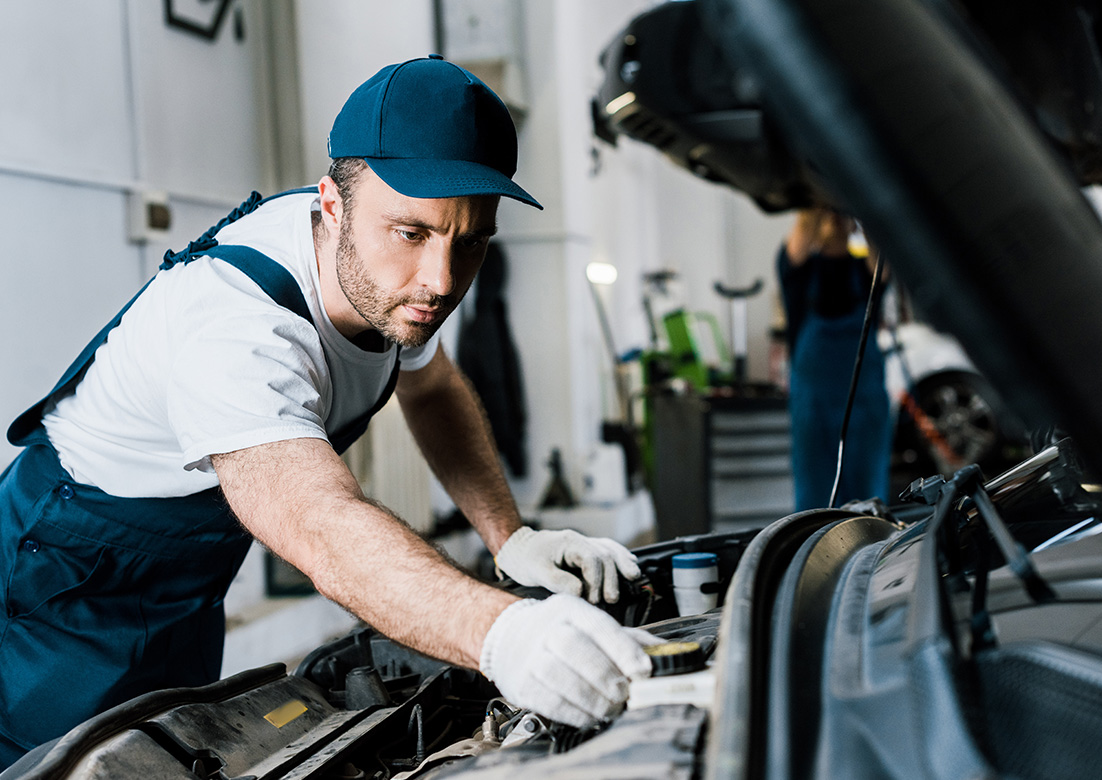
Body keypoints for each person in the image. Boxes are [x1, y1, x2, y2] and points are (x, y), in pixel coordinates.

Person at [0, 56, 653, 768]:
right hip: (64, 581)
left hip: (190, 581)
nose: (439, 281)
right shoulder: (237, 325)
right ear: (332, 206)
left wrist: (509, 538)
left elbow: (430, 386)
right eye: (411, 232)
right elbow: (315, 521)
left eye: (469, 242)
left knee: (168, 759)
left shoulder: (377, 273)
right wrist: (501, 634)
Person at [777, 208, 891, 510]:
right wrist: (819, 201)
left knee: (869, 496)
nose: (834, 221)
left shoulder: (868, 269)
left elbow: (883, 252)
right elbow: (801, 235)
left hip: (865, 403)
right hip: (813, 405)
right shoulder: (798, 271)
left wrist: (857, 202)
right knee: (815, 496)